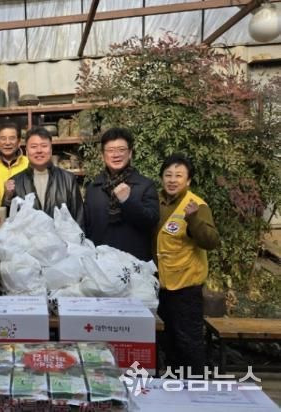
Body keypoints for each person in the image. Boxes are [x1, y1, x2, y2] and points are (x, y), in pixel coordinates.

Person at [155, 153, 220, 375]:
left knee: (188, 343)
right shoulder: (156, 201)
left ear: (188, 180)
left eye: (179, 175)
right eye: (168, 175)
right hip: (161, 285)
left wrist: (193, 219)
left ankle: (195, 386)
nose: (172, 180)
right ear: (162, 178)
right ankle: (174, 384)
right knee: (168, 341)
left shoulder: (196, 205)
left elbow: (211, 241)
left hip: (185, 288)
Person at [84, 127, 159, 261]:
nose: (116, 154)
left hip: (135, 263)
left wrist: (128, 201)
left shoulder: (145, 185)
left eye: (121, 149)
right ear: (102, 155)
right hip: (102, 263)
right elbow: (87, 228)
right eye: (110, 150)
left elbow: (151, 222)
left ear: (130, 153)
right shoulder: (94, 188)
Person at [3, 127, 84, 227]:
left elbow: (79, 218)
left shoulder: (68, 180)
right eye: (34, 146)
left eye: (44, 146)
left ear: (51, 149)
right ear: (26, 151)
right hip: (28, 237)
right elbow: (7, 223)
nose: (39, 150)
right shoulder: (15, 182)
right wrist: (8, 198)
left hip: (61, 237)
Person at [0, 122, 29, 205]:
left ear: (19, 142)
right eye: (3, 138)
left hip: (24, 212)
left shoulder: (29, 164)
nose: (7, 143)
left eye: (12, 138)